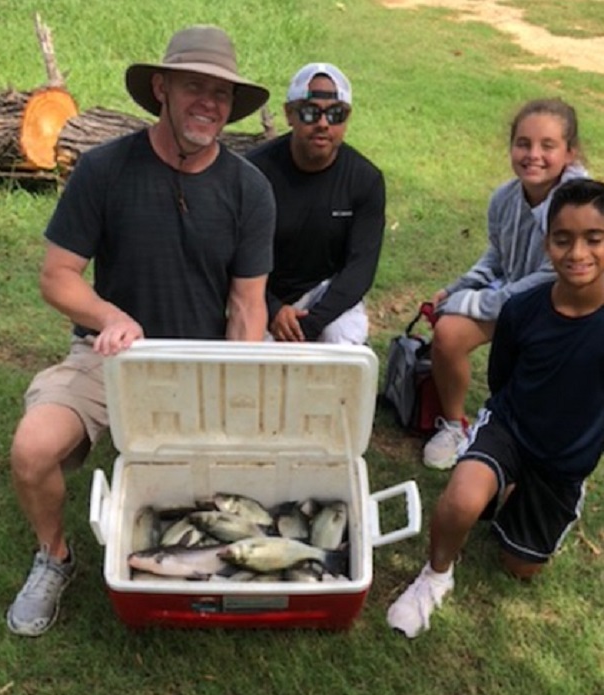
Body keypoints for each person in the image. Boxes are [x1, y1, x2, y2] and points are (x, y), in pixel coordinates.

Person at [6, 25, 276, 637]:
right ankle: (54, 557)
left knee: (215, 491)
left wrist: (239, 386)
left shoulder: (249, 189)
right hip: (111, 357)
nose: (209, 103)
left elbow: (247, 306)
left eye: (221, 94)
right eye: (194, 87)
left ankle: (213, 564)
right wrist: (110, 316)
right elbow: (57, 277)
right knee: (32, 451)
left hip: (203, 361)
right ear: (161, 88)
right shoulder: (105, 170)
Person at [387, 177, 604, 638]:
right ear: (547, 244)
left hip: (564, 459)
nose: (577, 252)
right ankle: (435, 576)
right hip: (509, 426)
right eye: (563, 239)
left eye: (594, 239)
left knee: (520, 567)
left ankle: (531, 497)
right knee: (461, 500)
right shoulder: (523, 308)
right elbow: (502, 377)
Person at [423, 98, 588, 470]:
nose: (534, 155)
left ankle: (533, 451)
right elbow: (498, 256)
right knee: (448, 333)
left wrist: (472, 303)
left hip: (567, 312)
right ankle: (454, 426)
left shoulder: (576, 204)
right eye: (523, 144)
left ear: (571, 153)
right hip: (517, 301)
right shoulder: (504, 198)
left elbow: (551, 276)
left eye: (548, 146)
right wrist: (457, 288)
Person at [246, 62, 385, 344]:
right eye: (310, 112)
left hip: (326, 295)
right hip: (260, 292)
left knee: (342, 347)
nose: (323, 123)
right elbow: (235, 255)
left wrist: (311, 325)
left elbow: (360, 269)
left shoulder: (366, 179)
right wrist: (273, 310)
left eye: (335, 114)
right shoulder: (254, 172)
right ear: (289, 114)